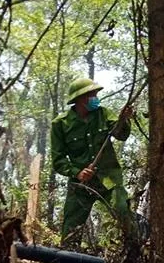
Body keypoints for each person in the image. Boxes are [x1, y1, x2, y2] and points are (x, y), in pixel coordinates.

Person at [51, 77, 136, 246]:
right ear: (80, 98)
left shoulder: (103, 113)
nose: (96, 98)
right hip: (80, 185)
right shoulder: (60, 124)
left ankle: (134, 253)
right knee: (71, 231)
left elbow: (121, 134)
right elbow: (58, 159)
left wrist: (123, 120)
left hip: (108, 180)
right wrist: (77, 172)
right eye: (92, 95)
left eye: (96, 94)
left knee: (122, 209)